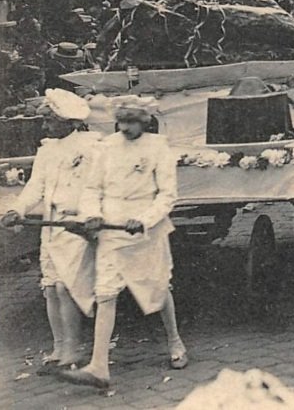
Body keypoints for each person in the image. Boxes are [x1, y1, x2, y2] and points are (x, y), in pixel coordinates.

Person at [61, 96, 187, 389]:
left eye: (132, 121)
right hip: (110, 227)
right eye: (122, 121)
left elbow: (167, 195)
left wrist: (144, 219)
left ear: (145, 121)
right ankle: (99, 366)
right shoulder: (105, 148)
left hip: (145, 230)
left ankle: (175, 342)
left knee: (158, 285)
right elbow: (92, 188)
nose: (126, 127)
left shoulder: (159, 147)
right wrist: (92, 214)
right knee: (105, 292)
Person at [0, 89, 100, 371]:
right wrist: (17, 209)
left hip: (75, 225)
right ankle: (57, 346)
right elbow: (36, 186)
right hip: (51, 225)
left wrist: (87, 216)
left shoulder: (91, 147)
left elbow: (95, 187)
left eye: (49, 121)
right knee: (50, 287)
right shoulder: (47, 149)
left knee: (66, 286)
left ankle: (72, 347)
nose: (44, 126)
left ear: (67, 121)